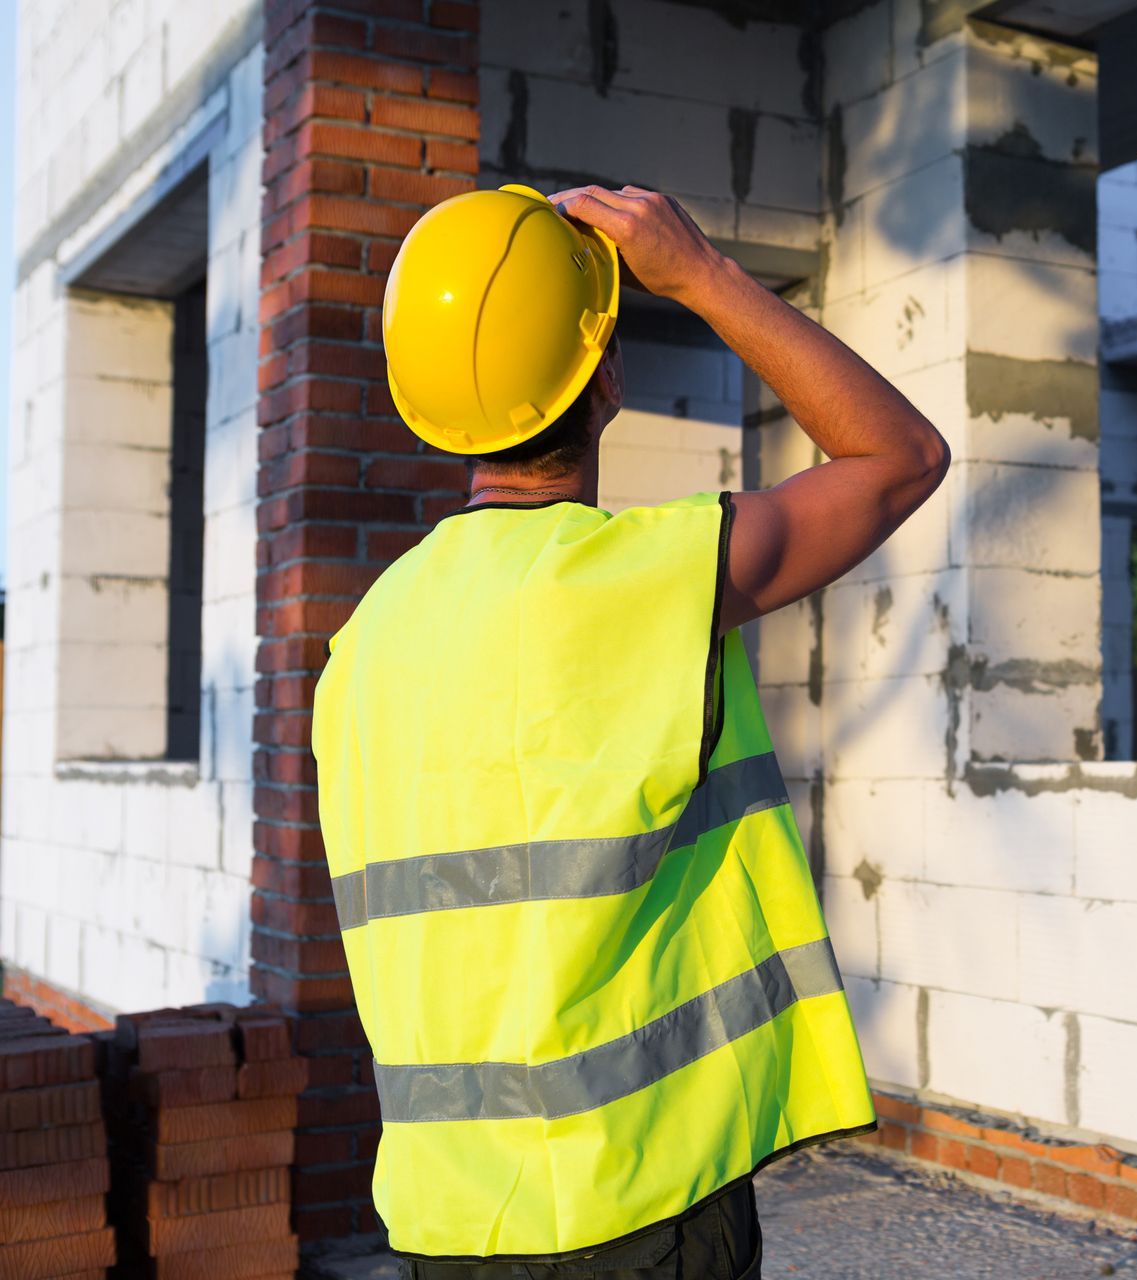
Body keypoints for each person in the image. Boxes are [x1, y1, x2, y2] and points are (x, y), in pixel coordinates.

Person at [311, 182, 949, 1279]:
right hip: (640, 1208)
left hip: (449, 1221)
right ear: (603, 377)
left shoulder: (361, 645)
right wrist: (703, 272)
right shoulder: (639, 579)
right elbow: (900, 457)